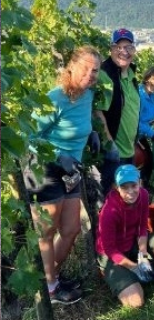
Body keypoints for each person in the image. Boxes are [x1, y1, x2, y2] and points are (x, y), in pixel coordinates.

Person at [29, 46, 102, 305]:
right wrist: (59, 155)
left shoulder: (87, 94)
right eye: (85, 67)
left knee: (71, 230)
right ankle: (50, 288)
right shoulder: (55, 98)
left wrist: (91, 133)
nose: (90, 74)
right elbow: (29, 138)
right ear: (72, 65)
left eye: (95, 70)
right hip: (44, 169)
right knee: (46, 232)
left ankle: (53, 278)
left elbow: (81, 122)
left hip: (71, 170)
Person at [96, 165, 154, 308]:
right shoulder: (109, 212)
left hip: (133, 241)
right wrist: (135, 267)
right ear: (116, 187)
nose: (130, 192)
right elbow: (110, 250)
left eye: (133, 185)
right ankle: (111, 272)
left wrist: (143, 251)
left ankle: (141, 263)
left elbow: (142, 226)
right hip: (112, 253)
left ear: (140, 183)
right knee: (135, 302)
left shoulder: (143, 195)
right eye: (124, 187)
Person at [95, 28, 141, 196]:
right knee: (111, 200)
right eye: (118, 47)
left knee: (128, 200)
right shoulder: (105, 75)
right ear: (111, 49)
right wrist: (109, 145)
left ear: (133, 50)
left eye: (128, 47)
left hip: (129, 151)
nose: (123, 52)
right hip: (113, 153)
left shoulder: (131, 74)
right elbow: (97, 113)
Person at [135, 66, 154, 193]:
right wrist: (152, 132)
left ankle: (144, 187)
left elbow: (150, 116)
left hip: (143, 134)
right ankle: (139, 189)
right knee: (141, 161)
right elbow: (135, 121)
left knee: (150, 161)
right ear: (147, 79)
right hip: (134, 135)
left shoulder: (152, 95)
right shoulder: (139, 95)